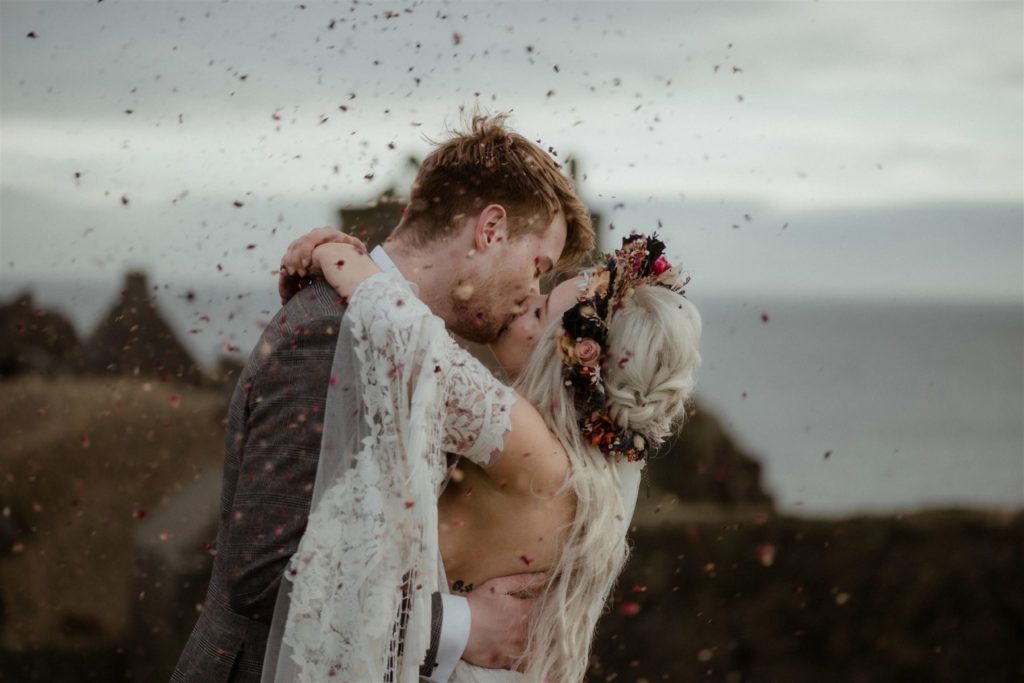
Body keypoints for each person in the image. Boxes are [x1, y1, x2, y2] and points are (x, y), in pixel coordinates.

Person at [171, 113, 595, 683]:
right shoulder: (328, 334)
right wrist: (465, 624)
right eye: (538, 265)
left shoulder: (411, 350)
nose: (531, 293)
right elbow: (264, 574)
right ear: (490, 229)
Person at [273, 230, 702, 681]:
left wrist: (332, 252)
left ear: (567, 363)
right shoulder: (602, 470)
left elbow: (408, 336)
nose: (527, 297)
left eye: (540, 311)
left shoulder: (529, 447)